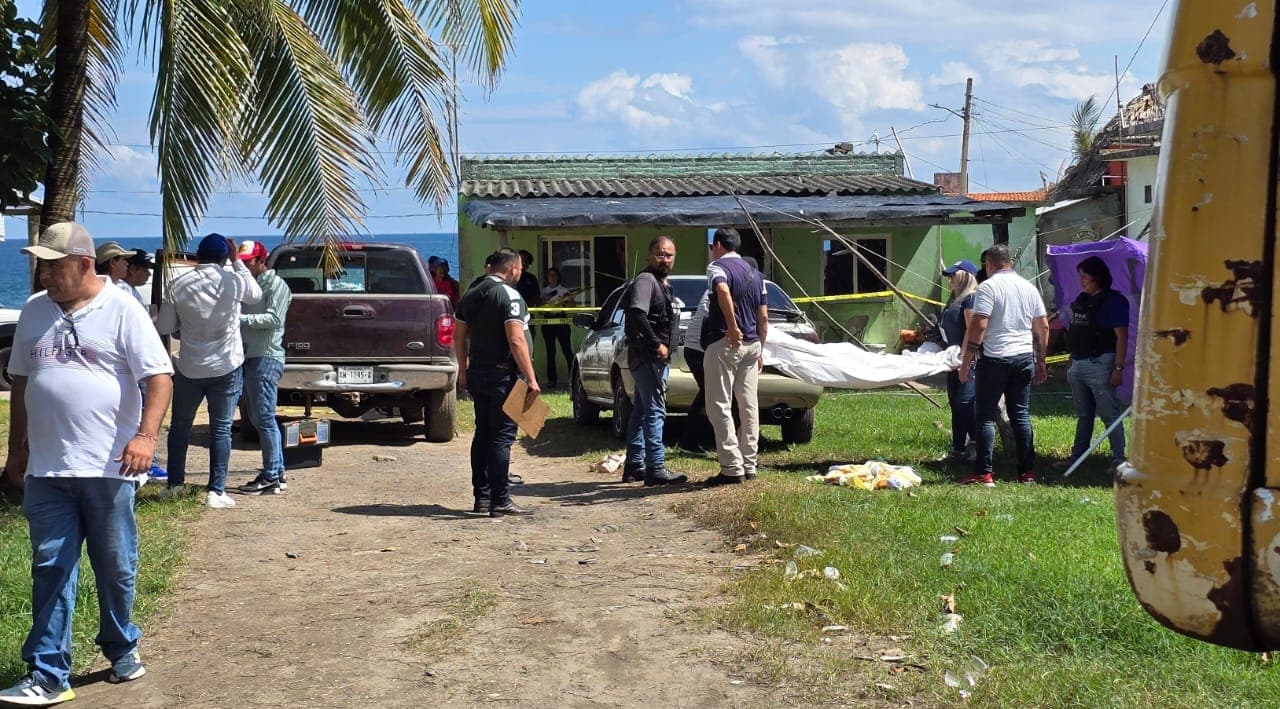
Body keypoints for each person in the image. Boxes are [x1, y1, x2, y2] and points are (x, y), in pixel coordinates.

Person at [0, 222, 173, 706]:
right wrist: (16, 450)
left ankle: (121, 647)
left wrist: (145, 437)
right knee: (50, 567)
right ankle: (48, 674)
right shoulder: (35, 310)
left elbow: (159, 377)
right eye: (41, 268)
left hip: (108, 466)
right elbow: (22, 381)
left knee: (115, 567)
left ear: (82, 264)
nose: (45, 277)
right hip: (48, 469)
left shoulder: (122, 308)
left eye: (53, 268)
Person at [156, 233, 262, 508]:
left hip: (190, 366)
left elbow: (165, 327)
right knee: (221, 429)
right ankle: (216, 490)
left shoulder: (178, 283)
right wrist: (237, 262)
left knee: (180, 426)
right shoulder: (233, 280)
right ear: (224, 257)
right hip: (226, 366)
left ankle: (175, 485)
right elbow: (256, 295)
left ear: (198, 256)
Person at [454, 249, 540, 517]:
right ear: (513, 268)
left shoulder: (471, 293)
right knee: (501, 437)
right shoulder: (509, 295)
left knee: (483, 434)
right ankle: (500, 499)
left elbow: (459, 336)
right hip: (503, 375)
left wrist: (462, 369)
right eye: (520, 269)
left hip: (478, 373)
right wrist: (531, 378)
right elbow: (516, 339)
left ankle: (482, 496)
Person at [958, 244, 1049, 486]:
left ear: (989, 264)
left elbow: (979, 326)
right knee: (1021, 414)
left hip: (995, 358)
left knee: (985, 415)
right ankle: (1027, 472)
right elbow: (1043, 326)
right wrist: (1041, 359)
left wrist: (966, 362)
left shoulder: (988, 287)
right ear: (1010, 262)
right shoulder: (1028, 287)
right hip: (1024, 357)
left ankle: (984, 472)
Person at [701, 228, 769, 486]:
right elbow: (764, 316)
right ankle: (749, 463)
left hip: (726, 343)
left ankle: (731, 467)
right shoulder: (756, 274)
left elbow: (722, 290)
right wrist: (760, 347)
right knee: (748, 405)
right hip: (752, 345)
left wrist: (732, 327)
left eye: (712, 247)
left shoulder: (717, 267)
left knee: (719, 405)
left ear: (718, 245)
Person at [621, 237, 687, 486]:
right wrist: (656, 343)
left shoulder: (662, 283)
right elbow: (637, 313)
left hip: (652, 358)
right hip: (648, 357)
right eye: (660, 254)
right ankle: (655, 468)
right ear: (649, 255)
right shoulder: (646, 280)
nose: (665, 259)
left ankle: (634, 466)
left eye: (669, 255)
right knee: (655, 411)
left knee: (640, 410)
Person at [236, 240, 293, 496]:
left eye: (248, 262)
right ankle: (276, 473)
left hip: (266, 356)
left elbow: (274, 319)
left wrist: (240, 319)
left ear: (261, 261)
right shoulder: (253, 285)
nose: (245, 267)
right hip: (254, 356)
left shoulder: (276, 284)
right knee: (260, 417)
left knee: (264, 417)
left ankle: (271, 475)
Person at [1061, 256, 1130, 471]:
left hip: (1101, 363)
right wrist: (1072, 358)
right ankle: (1078, 456)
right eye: (1080, 276)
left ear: (1097, 277)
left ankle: (1119, 459)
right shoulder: (1081, 300)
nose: (1081, 281)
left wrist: (1118, 367)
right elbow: (1076, 331)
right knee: (1084, 414)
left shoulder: (1114, 302)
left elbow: (1122, 337)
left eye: (1085, 277)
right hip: (1078, 362)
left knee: (1109, 413)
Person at [939, 259, 979, 463]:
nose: (950, 280)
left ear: (965, 277)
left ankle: (976, 444)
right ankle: (957, 448)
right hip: (953, 360)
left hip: (968, 361)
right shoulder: (953, 300)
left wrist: (965, 358)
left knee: (965, 403)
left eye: (954, 275)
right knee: (955, 404)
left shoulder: (970, 299)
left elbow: (972, 330)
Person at [677, 287, 713, 454]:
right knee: (708, 392)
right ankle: (688, 441)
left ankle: (690, 440)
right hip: (700, 348)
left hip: (696, 347)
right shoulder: (723, 286)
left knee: (708, 393)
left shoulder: (716, 285)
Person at [539, 267, 574, 388]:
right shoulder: (544, 291)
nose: (552, 277)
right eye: (550, 275)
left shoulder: (564, 290)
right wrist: (544, 300)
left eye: (554, 275)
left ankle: (573, 379)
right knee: (550, 352)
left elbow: (572, 306)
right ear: (547, 277)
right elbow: (539, 310)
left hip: (561, 320)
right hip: (548, 321)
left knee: (567, 350)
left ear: (558, 277)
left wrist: (567, 299)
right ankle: (551, 380)